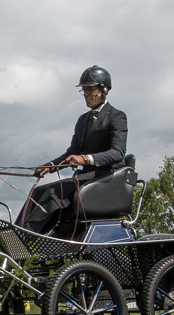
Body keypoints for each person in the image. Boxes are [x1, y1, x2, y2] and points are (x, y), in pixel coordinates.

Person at [19, 65, 128, 234]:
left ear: (104, 90)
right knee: (39, 191)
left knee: (52, 192)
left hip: (106, 178)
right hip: (85, 178)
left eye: (90, 89)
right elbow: (72, 152)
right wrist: (50, 166)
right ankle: (17, 233)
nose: (86, 94)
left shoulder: (117, 116)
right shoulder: (83, 120)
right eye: (84, 90)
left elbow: (118, 152)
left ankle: (25, 235)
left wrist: (85, 159)